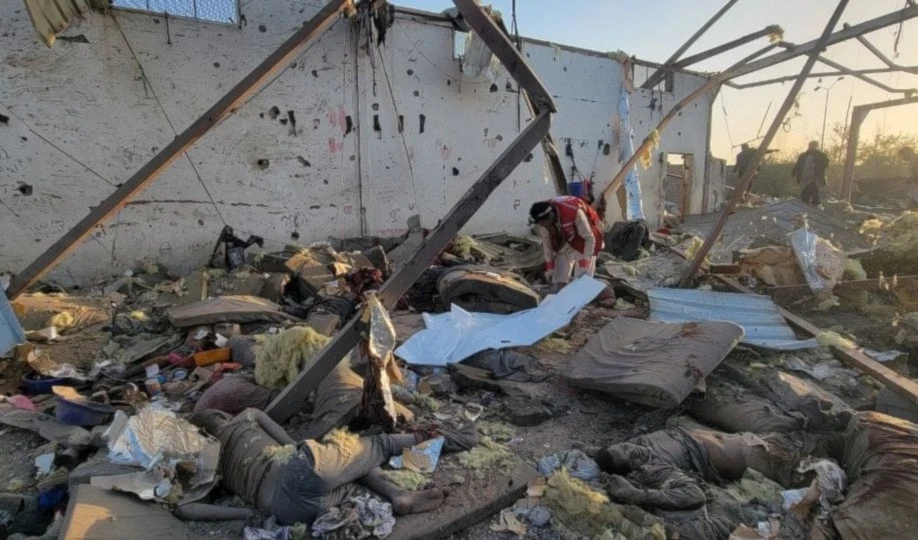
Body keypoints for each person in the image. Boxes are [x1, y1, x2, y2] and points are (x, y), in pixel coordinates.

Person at [190, 408, 452, 525]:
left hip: (283, 511)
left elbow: (185, 508)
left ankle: (400, 498)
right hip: (295, 473)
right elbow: (288, 441)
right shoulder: (244, 417)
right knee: (375, 447)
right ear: (222, 417)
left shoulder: (213, 469)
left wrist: (245, 515)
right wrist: (304, 452)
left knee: (352, 473)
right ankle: (440, 438)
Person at [529, 195, 604, 289]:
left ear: (551, 216)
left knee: (582, 277)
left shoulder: (574, 211)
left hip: (585, 236)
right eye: (540, 224)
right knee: (557, 278)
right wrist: (549, 266)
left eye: (543, 223)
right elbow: (547, 244)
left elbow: (589, 238)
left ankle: (584, 294)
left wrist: (585, 262)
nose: (542, 226)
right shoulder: (543, 221)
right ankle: (561, 291)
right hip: (566, 237)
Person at [791, 141, 830, 206]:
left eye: (814, 146)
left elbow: (825, 164)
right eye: (811, 146)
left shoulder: (821, 155)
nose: (812, 147)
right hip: (805, 179)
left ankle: (814, 211)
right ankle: (805, 212)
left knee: (815, 198)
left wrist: (817, 162)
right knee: (805, 198)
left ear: (816, 147)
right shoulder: (803, 156)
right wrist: (794, 173)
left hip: (815, 179)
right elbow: (798, 165)